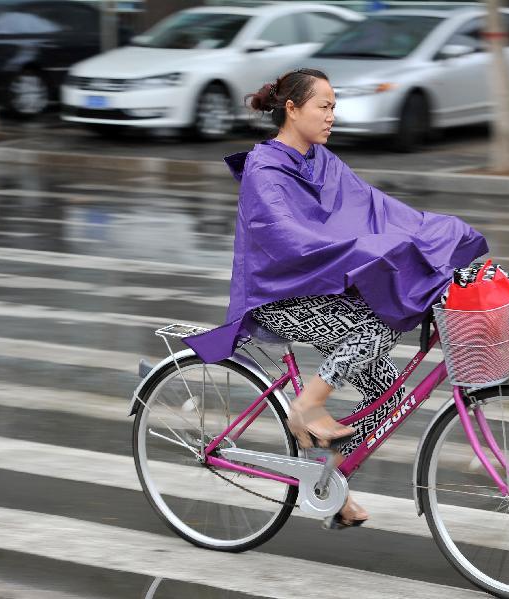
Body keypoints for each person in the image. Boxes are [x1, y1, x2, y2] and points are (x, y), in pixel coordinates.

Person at [184, 68, 488, 528]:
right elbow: (289, 240)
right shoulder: (265, 170)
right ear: (292, 109)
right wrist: (367, 250)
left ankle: (329, 480)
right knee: (375, 327)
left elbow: (376, 209)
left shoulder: (322, 161)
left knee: (389, 399)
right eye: (323, 107)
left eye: (334, 107)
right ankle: (308, 405)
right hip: (278, 295)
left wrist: (434, 234)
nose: (331, 117)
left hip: (320, 289)